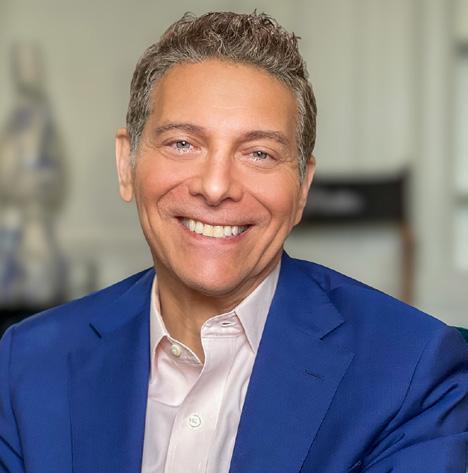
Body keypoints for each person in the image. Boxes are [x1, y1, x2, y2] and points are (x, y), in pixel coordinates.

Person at [0, 11, 467, 473]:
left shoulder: (412, 371)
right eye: (183, 143)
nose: (216, 186)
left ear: (302, 187)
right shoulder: (27, 362)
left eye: (259, 153)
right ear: (127, 164)